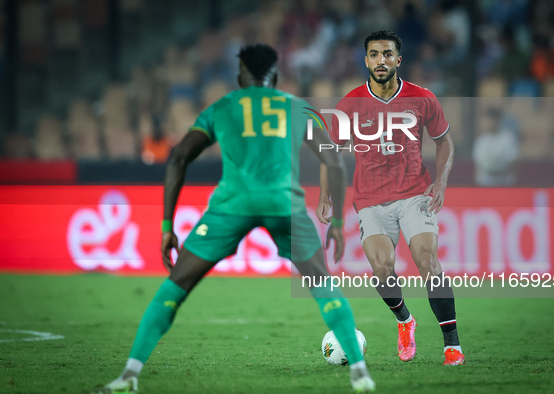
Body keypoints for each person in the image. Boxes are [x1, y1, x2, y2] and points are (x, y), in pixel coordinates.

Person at [97, 44, 375, 393]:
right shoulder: (300, 108)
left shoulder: (222, 108)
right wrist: (335, 223)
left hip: (232, 205)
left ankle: (129, 375)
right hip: (283, 204)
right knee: (322, 285)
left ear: (241, 75)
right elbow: (333, 162)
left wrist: (167, 227)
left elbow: (178, 158)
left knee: (176, 285)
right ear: (275, 76)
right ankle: (360, 373)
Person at [316, 31, 464, 366]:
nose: (380, 60)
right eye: (373, 54)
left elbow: (444, 142)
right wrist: (325, 195)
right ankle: (404, 322)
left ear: (398, 59)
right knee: (382, 270)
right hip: (370, 199)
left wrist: (440, 181)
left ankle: (451, 344)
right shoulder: (349, 104)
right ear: (366, 60)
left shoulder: (423, 98)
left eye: (387, 54)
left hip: (414, 194)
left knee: (427, 262)